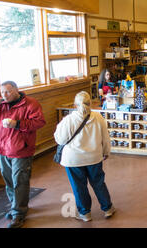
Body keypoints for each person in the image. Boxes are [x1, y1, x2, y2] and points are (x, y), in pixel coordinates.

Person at [54, 91, 115, 222]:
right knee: (98, 183)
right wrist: (106, 152)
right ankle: (107, 208)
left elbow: (60, 139)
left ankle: (85, 213)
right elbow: (105, 138)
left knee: (79, 186)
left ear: (75, 105)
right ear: (91, 103)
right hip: (94, 157)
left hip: (73, 160)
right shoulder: (98, 117)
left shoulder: (69, 120)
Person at [0, 81, 46, 228]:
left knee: (20, 180)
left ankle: (18, 213)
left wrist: (16, 124)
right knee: (9, 180)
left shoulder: (30, 103)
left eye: (8, 92)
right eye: (2, 92)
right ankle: (15, 206)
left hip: (21, 149)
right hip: (2, 148)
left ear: (17, 90)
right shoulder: (0, 105)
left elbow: (39, 122)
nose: (4, 95)